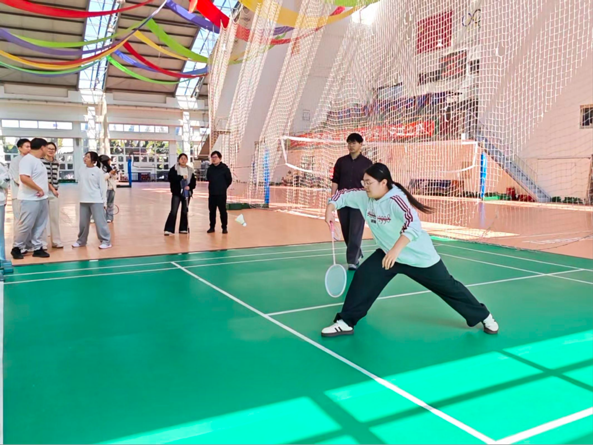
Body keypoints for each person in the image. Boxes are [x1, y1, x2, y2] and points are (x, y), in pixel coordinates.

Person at [321, 163, 499, 337]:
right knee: (364, 276)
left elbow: (413, 225)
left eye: (369, 182)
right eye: (364, 182)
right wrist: (330, 208)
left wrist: (395, 251)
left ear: (383, 183)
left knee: (449, 287)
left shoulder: (396, 200)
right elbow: (342, 195)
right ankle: (346, 322)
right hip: (389, 254)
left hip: (418, 257)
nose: (365, 186)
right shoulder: (364, 197)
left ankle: (484, 316)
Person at [331, 133, 373, 270]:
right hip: (342, 201)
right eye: (349, 143)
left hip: (359, 202)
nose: (351, 145)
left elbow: (371, 183)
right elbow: (335, 181)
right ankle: (357, 252)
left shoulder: (367, 163)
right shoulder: (341, 162)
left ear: (361, 144)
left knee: (355, 231)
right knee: (346, 231)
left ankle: (353, 261)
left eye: (354, 143)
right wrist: (333, 200)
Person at [11, 138, 50, 259]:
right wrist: (38, 189)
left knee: (40, 224)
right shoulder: (27, 160)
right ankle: (17, 248)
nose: (48, 150)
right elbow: (24, 178)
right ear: (42, 147)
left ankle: (37, 248)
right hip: (29, 199)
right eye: (47, 148)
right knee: (26, 225)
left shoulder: (38, 161)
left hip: (41, 199)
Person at [72, 152, 111, 249]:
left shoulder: (98, 171)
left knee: (100, 222)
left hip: (96, 200)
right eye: (85, 156)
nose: (85, 158)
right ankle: (81, 241)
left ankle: (106, 241)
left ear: (93, 160)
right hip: (84, 200)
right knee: (83, 223)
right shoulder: (81, 170)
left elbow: (103, 187)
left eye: (88, 157)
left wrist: (104, 202)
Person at [164, 153, 196, 235]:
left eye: (185, 158)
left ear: (187, 160)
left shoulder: (190, 170)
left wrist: (189, 187)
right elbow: (171, 178)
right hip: (177, 193)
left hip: (186, 193)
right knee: (174, 210)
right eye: (181, 158)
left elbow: (193, 182)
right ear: (178, 160)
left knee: (185, 210)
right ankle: (169, 229)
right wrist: (181, 177)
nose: (183, 160)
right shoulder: (174, 169)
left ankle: (183, 228)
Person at [8, 138, 31, 251]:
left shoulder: (31, 160)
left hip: (29, 195)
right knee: (19, 220)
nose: (29, 149)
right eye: (27, 146)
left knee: (28, 220)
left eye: (30, 146)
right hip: (18, 195)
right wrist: (31, 185)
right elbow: (18, 178)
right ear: (20, 148)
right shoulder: (15, 161)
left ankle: (28, 244)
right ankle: (18, 246)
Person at [41, 142, 63, 249]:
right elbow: (43, 178)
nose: (51, 150)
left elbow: (56, 177)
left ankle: (56, 241)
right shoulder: (40, 162)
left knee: (54, 218)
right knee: (42, 219)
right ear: (45, 149)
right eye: (49, 148)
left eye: (53, 149)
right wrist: (52, 189)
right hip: (43, 192)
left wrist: (55, 189)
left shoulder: (56, 162)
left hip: (54, 192)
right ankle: (42, 243)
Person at [206, 151, 232, 234]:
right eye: (212, 157)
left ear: (220, 158)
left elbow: (229, 180)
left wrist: (223, 187)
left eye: (215, 157)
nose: (214, 159)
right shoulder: (210, 169)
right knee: (212, 211)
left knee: (222, 211)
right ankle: (212, 227)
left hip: (221, 194)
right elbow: (208, 178)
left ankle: (224, 227)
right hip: (212, 193)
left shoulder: (225, 169)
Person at [100, 155, 118, 223]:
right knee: (102, 204)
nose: (110, 161)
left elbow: (115, 177)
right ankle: (101, 217)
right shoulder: (100, 169)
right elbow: (102, 178)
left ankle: (109, 218)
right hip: (105, 189)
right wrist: (110, 174)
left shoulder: (110, 168)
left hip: (111, 188)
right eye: (109, 160)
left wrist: (114, 173)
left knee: (110, 204)